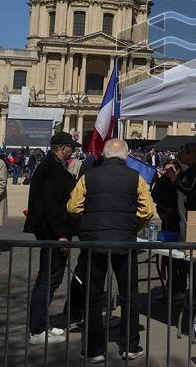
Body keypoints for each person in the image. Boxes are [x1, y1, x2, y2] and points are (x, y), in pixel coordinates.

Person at [67, 138, 153, 362]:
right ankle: (130, 345)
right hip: (124, 242)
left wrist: (89, 220)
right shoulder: (137, 178)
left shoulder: (88, 177)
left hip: (94, 242)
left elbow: (73, 207)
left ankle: (94, 349)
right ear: (126, 156)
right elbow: (148, 211)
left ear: (104, 155)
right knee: (129, 296)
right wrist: (133, 226)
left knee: (93, 297)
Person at [24, 132, 78, 346]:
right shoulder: (53, 169)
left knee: (48, 279)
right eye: (71, 147)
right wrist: (62, 235)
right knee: (48, 280)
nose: (73, 150)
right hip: (53, 233)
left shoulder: (50, 166)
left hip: (50, 231)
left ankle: (39, 325)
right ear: (63, 148)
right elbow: (52, 205)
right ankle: (37, 330)